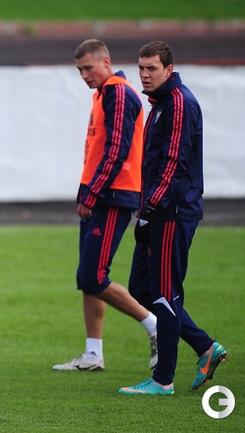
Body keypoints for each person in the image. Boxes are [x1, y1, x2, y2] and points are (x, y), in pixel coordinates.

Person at [120, 41, 227, 395]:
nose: (144, 74)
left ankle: (163, 379)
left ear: (168, 69)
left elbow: (173, 164)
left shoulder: (179, 103)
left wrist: (149, 210)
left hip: (172, 213)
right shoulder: (161, 104)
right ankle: (205, 346)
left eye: (151, 68)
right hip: (159, 209)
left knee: (165, 294)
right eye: (141, 67)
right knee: (141, 288)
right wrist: (145, 208)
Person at [53, 39, 158, 372]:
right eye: (79, 70)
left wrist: (92, 193)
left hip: (112, 196)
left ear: (106, 62)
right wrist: (86, 191)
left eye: (88, 67)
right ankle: (93, 354)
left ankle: (154, 325)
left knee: (93, 276)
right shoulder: (104, 94)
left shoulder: (118, 92)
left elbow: (116, 150)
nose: (84, 75)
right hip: (101, 194)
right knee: (88, 277)